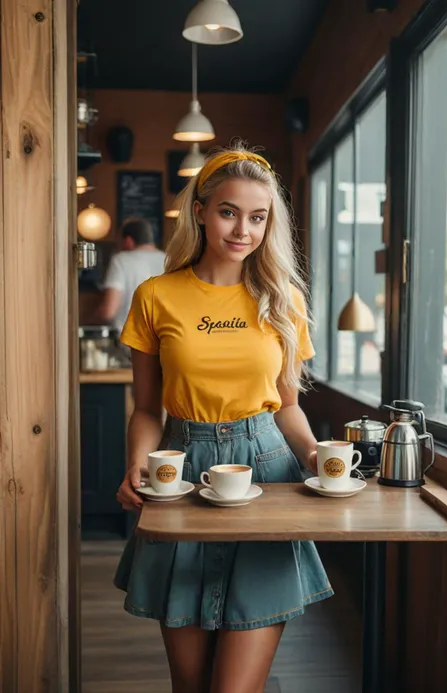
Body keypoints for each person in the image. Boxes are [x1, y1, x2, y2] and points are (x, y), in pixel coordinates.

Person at [115, 142, 333, 693]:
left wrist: (314, 459)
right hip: (181, 475)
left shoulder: (284, 299)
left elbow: (287, 405)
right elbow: (146, 407)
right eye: (229, 212)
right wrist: (135, 465)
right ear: (201, 212)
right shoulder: (155, 296)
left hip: (269, 472)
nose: (244, 230)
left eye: (258, 217)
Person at [97, 217, 166, 334]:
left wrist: (84, 319)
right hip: (165, 340)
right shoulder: (170, 260)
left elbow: (109, 311)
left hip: (130, 341)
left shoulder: (121, 260)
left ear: (128, 241)